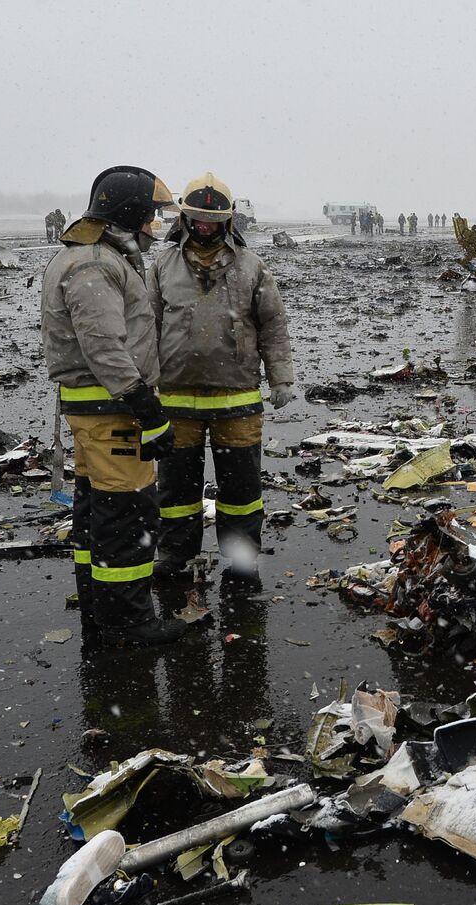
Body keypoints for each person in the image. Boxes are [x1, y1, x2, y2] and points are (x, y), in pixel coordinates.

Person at [41, 166, 182, 645]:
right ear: (129, 214)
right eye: (150, 217)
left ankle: (99, 614)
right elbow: (103, 343)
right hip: (111, 415)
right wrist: (146, 406)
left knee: (94, 513)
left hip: (93, 413)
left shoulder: (91, 256)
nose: (154, 227)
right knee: (126, 514)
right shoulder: (97, 264)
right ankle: (128, 622)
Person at [147, 172, 295, 586]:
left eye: (214, 220)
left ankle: (241, 561)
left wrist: (281, 377)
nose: (206, 227)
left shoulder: (252, 266)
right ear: (186, 220)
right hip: (176, 399)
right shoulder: (162, 267)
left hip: (238, 401)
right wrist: (141, 387)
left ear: (228, 222)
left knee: (242, 494)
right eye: (198, 219)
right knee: (176, 493)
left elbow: (272, 325)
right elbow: (146, 327)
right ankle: (176, 557)